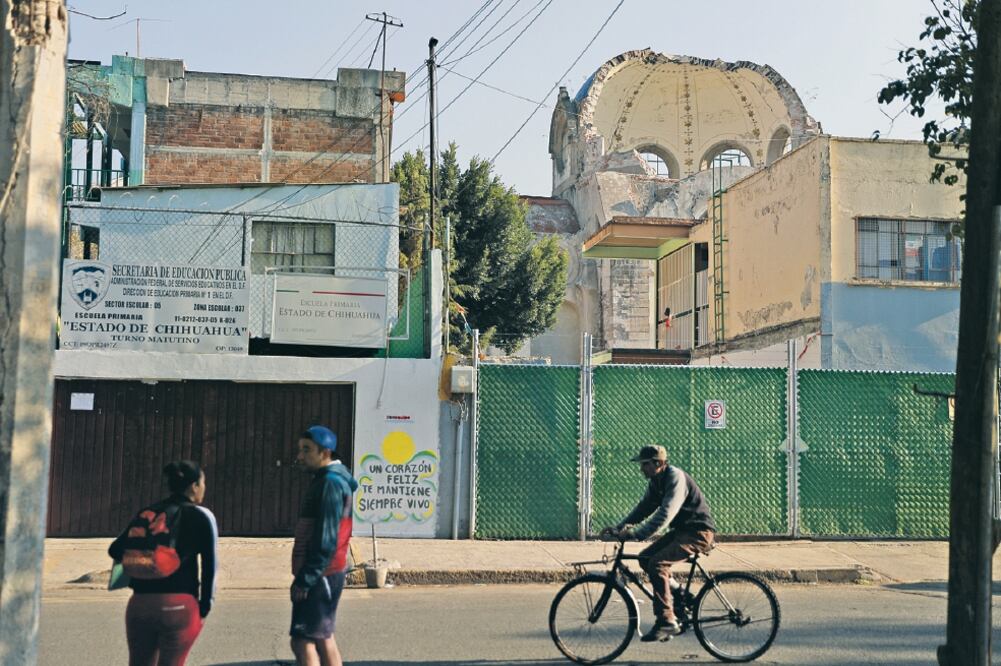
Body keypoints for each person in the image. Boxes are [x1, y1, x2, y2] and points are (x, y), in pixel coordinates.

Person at [600, 445, 716, 643]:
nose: (641, 469)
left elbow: (665, 514)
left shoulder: (675, 478)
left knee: (657, 564)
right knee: (645, 558)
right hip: (682, 532)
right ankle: (681, 596)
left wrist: (638, 534)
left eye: (644, 464)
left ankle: (666, 621)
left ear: (659, 463)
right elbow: (644, 508)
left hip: (698, 533)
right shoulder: (656, 481)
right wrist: (620, 528)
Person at [108, 460, 218, 666]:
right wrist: (204, 609)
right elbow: (210, 566)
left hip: (139, 605)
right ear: (194, 486)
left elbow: (115, 550)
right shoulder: (201, 516)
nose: (204, 488)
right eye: (203, 483)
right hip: (179, 606)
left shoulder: (148, 512)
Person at [290, 425, 358, 666]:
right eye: (300, 450)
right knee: (321, 638)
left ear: (325, 453)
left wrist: (306, 578)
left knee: (303, 641)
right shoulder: (330, 480)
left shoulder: (329, 483)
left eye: (307, 450)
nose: (300, 456)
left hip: (321, 573)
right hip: (327, 571)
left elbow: (327, 537)